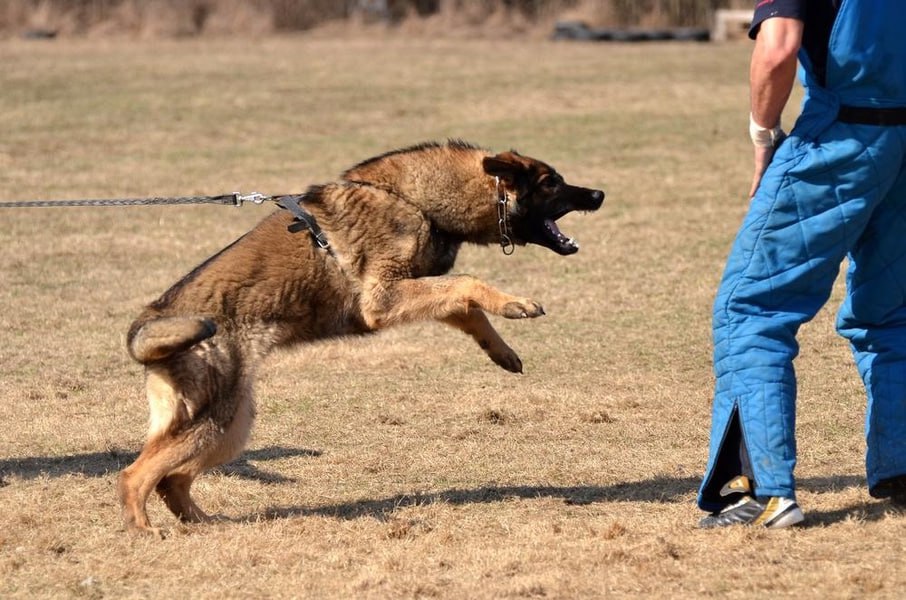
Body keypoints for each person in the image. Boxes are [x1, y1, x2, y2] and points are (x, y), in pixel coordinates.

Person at [697, 0, 906, 529]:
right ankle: (901, 469)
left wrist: (763, 136)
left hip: (840, 137)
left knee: (750, 310)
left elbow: (778, 49)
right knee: (893, 315)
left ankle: (757, 493)